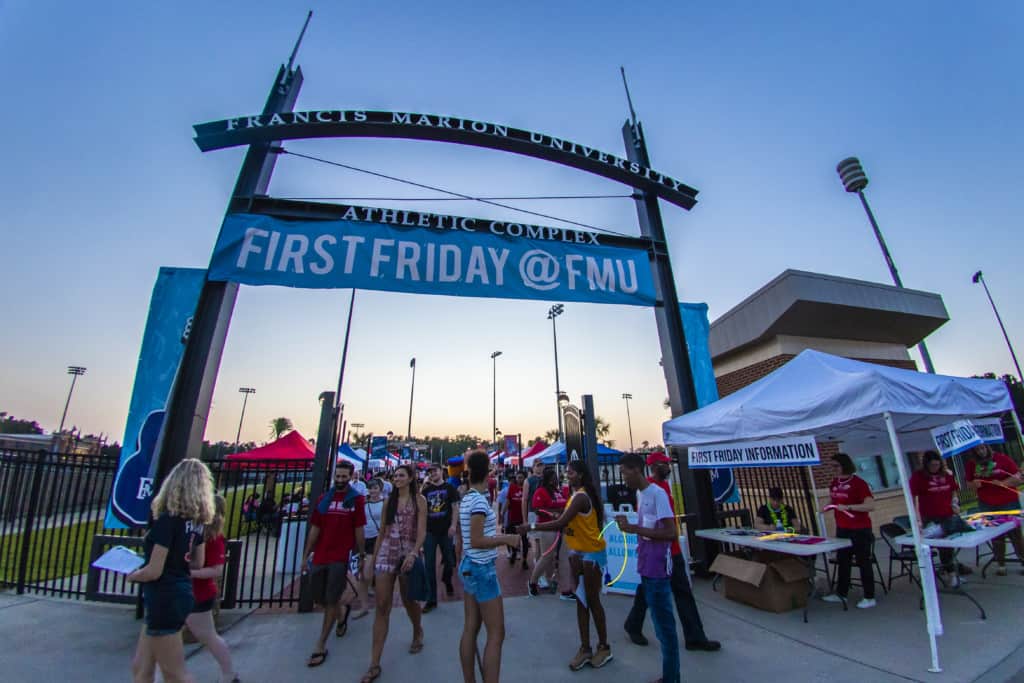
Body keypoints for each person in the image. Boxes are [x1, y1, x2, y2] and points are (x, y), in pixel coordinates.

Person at [127, 458, 215, 683]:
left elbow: (154, 570)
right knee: (141, 667)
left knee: (175, 673)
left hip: (164, 595)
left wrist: (133, 574)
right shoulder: (197, 523)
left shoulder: (168, 521)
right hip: (179, 593)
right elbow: (197, 562)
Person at [625, 452, 720, 652]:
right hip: (659, 552)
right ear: (653, 466)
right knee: (651, 593)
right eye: (664, 464)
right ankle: (634, 624)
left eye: (668, 464)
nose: (668, 467)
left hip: (671, 550)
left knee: (680, 592)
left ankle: (694, 636)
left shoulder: (663, 488)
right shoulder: (649, 490)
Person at [522, 459, 612, 670]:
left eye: (570, 473)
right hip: (578, 553)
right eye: (566, 472)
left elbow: (561, 522)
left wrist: (531, 526)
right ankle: (585, 647)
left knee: (592, 600)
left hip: (591, 554)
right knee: (581, 601)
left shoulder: (580, 497)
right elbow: (567, 521)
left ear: (580, 475)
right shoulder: (574, 495)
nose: (566, 476)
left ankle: (604, 646)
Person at [616, 453, 680, 683]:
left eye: (624, 472)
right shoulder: (640, 495)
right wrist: (630, 527)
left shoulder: (658, 494)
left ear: (636, 469)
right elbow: (645, 527)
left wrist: (635, 530)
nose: (623, 477)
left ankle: (672, 678)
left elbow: (671, 532)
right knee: (659, 623)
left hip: (659, 569)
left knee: (665, 629)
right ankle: (670, 676)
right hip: (646, 565)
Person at [459, 450, 520, 683]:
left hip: (469, 565)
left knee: (471, 628)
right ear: (488, 470)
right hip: (481, 568)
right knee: (496, 633)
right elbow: (477, 539)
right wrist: (506, 539)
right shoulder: (477, 501)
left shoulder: (468, 497)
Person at [363, 464, 428, 683]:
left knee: (409, 600)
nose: (397, 478)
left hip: (407, 552)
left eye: (401, 475)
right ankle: (374, 662)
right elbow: (383, 529)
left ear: (410, 478)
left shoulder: (419, 501)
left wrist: (413, 553)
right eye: (395, 475)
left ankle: (417, 630)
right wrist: (373, 557)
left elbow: (421, 531)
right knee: (382, 605)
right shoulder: (388, 501)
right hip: (386, 552)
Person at [302, 460, 366, 668]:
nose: (340, 480)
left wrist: (361, 553)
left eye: (343, 477)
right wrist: (306, 555)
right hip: (321, 554)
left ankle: (320, 643)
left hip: (341, 555)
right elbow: (315, 528)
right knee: (319, 597)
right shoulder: (324, 499)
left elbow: (359, 528)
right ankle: (342, 614)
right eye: (337, 476)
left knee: (331, 599)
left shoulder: (355, 500)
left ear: (351, 476)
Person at [185, 495, 239, 683]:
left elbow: (216, 570)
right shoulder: (193, 532)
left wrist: (189, 574)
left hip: (199, 594)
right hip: (185, 592)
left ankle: (229, 674)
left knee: (208, 636)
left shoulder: (215, 538)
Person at [822, 453, 877, 608]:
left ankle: (869, 596)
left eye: (836, 466)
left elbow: (870, 505)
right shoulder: (834, 483)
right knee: (843, 561)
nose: (833, 469)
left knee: (863, 561)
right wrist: (826, 506)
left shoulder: (859, 483)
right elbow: (833, 498)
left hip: (859, 529)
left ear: (844, 465)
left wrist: (849, 507)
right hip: (843, 527)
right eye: (831, 466)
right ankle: (842, 593)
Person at [966, 443, 1024, 576]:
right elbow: (968, 483)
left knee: (1015, 533)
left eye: (982, 448)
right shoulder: (971, 464)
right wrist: (973, 484)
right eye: (977, 450)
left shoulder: (1002, 459)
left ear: (987, 448)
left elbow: (1018, 478)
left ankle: (1022, 559)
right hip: (987, 503)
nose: (980, 452)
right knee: (996, 534)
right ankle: (1001, 563)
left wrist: (1003, 483)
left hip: (1008, 502)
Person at [910, 451, 960, 582]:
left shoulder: (946, 474)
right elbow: (912, 497)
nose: (935, 468)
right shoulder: (918, 477)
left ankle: (952, 573)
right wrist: (917, 518)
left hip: (947, 514)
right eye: (932, 465)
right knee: (930, 545)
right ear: (926, 465)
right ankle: (931, 575)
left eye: (937, 465)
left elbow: (953, 490)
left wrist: (955, 502)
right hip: (929, 515)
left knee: (947, 546)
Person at [421, 463, 460, 612]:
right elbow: (422, 510)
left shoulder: (450, 489)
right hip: (430, 531)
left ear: (441, 472)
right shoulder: (426, 490)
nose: (432, 474)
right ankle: (431, 599)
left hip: (446, 530)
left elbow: (455, 508)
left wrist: (453, 526)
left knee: (449, 560)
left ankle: (447, 578)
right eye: (430, 473)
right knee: (429, 565)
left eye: (434, 471)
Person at [528, 466, 570, 597]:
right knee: (547, 556)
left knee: (564, 558)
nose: (554, 481)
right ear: (546, 479)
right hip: (547, 527)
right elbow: (537, 509)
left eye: (555, 478)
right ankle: (532, 582)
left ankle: (566, 589)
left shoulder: (559, 491)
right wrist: (552, 514)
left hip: (562, 527)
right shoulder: (540, 491)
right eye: (552, 479)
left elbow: (567, 505)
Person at [354, 478, 386, 619]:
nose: (372, 491)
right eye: (370, 488)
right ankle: (364, 605)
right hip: (363, 538)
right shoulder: (363, 503)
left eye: (375, 488)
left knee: (367, 572)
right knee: (361, 573)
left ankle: (377, 598)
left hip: (376, 539)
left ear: (380, 489)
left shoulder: (385, 503)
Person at [522, 459, 546, 574]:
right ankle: (538, 568)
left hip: (546, 514)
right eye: (537, 465)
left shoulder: (547, 479)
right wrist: (525, 519)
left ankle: (541, 567)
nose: (540, 467)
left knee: (544, 541)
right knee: (537, 541)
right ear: (533, 467)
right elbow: (524, 500)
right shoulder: (528, 481)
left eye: (541, 465)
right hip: (533, 514)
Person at [504, 470, 528, 568]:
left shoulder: (527, 489)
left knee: (524, 540)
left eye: (521, 477)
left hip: (524, 519)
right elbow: (508, 501)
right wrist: (502, 512)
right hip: (512, 518)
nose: (519, 479)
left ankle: (525, 561)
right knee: (512, 538)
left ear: (524, 478)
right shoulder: (512, 487)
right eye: (518, 477)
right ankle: (514, 552)